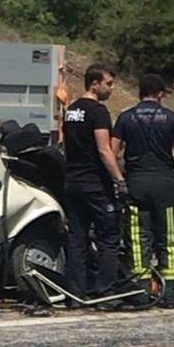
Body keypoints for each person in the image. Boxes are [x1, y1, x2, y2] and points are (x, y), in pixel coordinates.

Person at [112, 74, 174, 308]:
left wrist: (119, 179)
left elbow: (113, 152)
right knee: (168, 238)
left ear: (140, 92)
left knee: (138, 238)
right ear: (160, 94)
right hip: (164, 184)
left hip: (136, 182)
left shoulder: (126, 117)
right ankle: (171, 294)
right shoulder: (170, 118)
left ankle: (140, 291)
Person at [61, 65, 126, 308]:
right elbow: (104, 150)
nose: (111, 88)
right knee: (109, 237)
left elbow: (64, 143)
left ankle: (75, 294)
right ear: (94, 84)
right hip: (95, 184)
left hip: (73, 183)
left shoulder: (71, 111)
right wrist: (119, 179)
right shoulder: (98, 112)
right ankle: (105, 293)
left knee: (77, 238)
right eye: (108, 83)